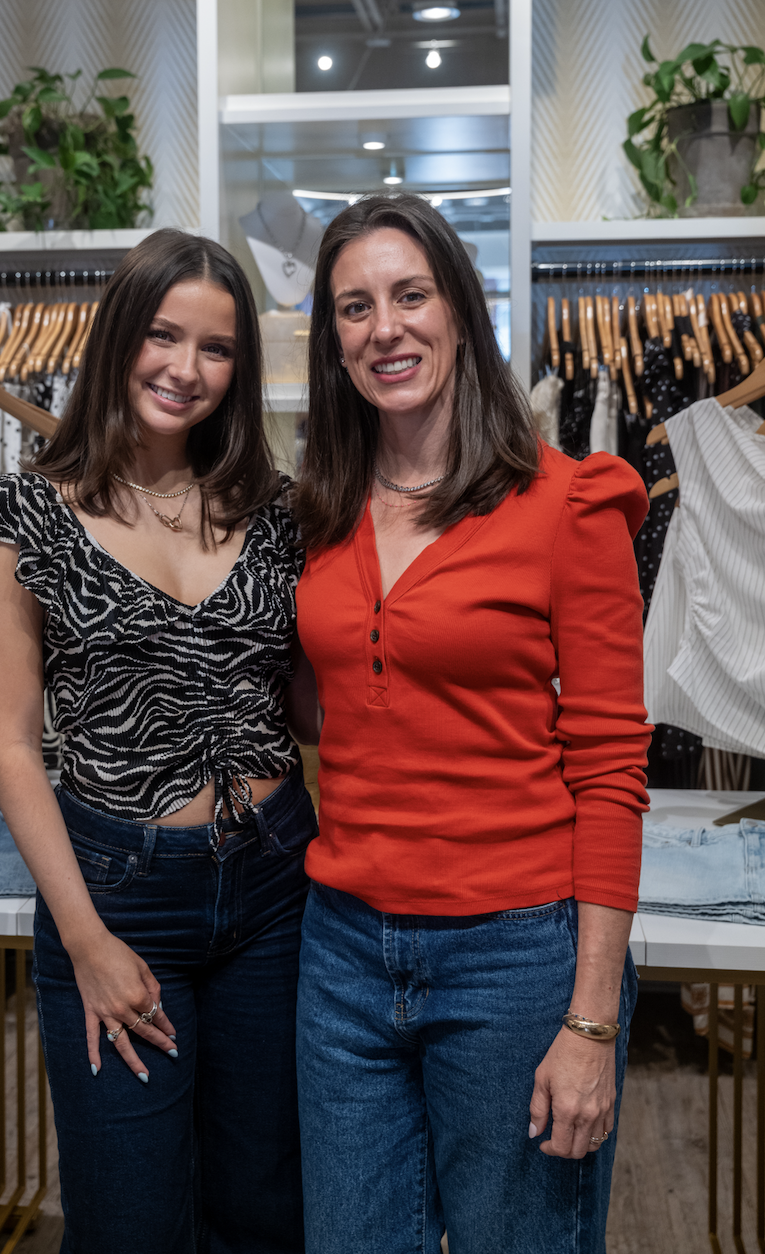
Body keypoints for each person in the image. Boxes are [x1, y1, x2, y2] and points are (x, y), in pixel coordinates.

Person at [292, 195, 651, 1254]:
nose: (385, 328)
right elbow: (320, 702)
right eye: (355, 307)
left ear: (459, 308)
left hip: (516, 956)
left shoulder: (567, 506)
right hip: (343, 953)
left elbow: (612, 770)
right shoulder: (319, 511)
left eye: (410, 295)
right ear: (333, 338)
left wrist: (591, 1019)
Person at [0, 229, 318, 1254]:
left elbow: (311, 709)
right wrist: (85, 941)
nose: (185, 368)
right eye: (163, 335)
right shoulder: (21, 517)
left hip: (276, 881)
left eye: (217, 348)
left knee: (265, 1205)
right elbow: (12, 744)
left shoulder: (277, 510)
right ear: (119, 336)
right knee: (129, 1218)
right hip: (119, 894)